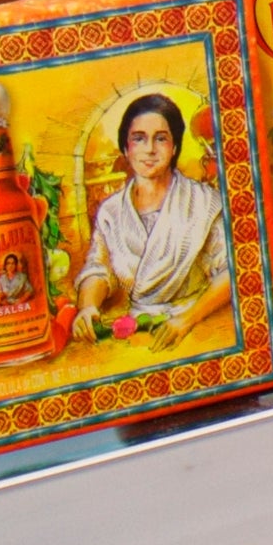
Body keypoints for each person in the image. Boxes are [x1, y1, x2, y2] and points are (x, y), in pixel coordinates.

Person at [72, 93, 231, 352]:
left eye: (160, 138)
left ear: (174, 147)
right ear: (126, 148)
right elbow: (98, 269)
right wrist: (88, 306)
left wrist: (186, 320)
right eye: (139, 139)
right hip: (137, 333)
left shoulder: (204, 203)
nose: (149, 149)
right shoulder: (111, 212)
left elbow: (230, 272)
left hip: (199, 329)